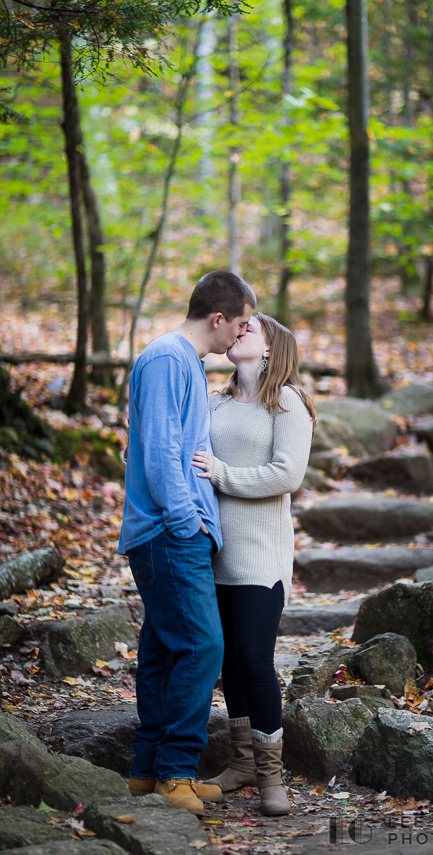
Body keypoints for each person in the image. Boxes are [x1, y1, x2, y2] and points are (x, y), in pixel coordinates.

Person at [119, 270, 256, 816]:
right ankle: (176, 771)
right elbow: (156, 452)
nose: (241, 336)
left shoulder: (185, 364)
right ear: (217, 318)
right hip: (167, 533)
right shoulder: (168, 359)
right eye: (241, 323)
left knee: (163, 647)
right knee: (204, 646)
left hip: (173, 532)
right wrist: (186, 522)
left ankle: (149, 773)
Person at [192, 313, 316, 816]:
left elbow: (287, 474)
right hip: (213, 552)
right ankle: (243, 762)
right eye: (237, 326)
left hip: (261, 556)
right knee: (229, 663)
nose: (239, 330)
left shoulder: (286, 401)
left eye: (251, 328)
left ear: (270, 349)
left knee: (256, 660)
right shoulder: (214, 401)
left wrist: (220, 473)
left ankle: (271, 775)